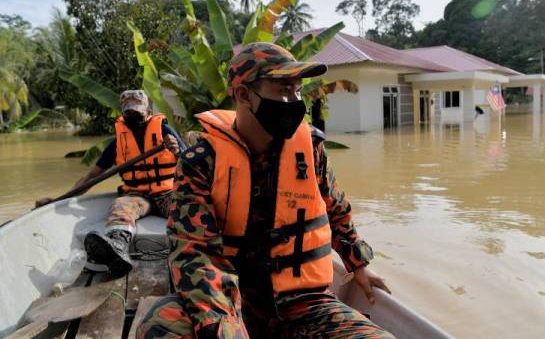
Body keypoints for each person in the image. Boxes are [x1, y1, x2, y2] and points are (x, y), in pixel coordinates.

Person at [138, 43, 394, 338]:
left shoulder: (310, 150)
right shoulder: (201, 162)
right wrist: (225, 328)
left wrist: (358, 264)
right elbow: (195, 253)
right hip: (233, 301)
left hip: (304, 302)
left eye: (297, 90)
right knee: (161, 325)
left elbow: (336, 210)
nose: (294, 101)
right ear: (244, 94)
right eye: (283, 90)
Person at [35, 90, 185, 277]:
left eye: (137, 112)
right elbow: (92, 176)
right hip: (136, 196)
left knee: (185, 209)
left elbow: (189, 161)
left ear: (148, 111)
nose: (133, 116)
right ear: (123, 113)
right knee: (120, 207)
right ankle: (117, 248)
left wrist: (177, 150)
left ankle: (193, 251)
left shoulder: (164, 131)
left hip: (165, 193)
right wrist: (60, 199)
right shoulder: (117, 143)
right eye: (129, 112)